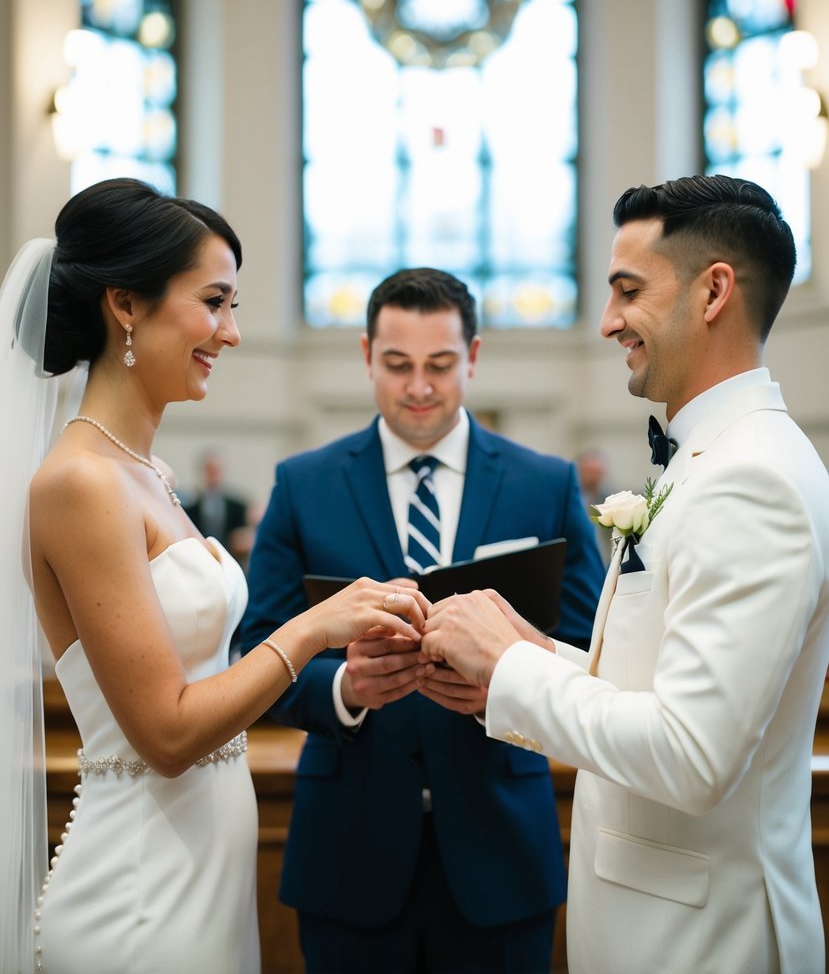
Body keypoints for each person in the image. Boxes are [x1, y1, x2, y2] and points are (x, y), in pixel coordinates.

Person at [0, 179, 428, 974]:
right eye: (215, 301)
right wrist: (312, 628)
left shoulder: (146, 474)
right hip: (139, 887)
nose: (231, 333)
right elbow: (165, 734)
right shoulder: (80, 483)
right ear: (126, 305)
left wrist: (350, 670)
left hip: (200, 869)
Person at [421, 176, 829, 974]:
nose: (607, 322)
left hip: (704, 942)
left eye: (628, 290)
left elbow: (690, 755)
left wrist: (511, 670)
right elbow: (663, 685)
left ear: (714, 290)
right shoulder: (711, 460)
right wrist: (532, 656)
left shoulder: (756, 481)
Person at [241, 267, 605, 974]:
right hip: (349, 850)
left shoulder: (545, 483)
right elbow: (256, 650)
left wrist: (509, 686)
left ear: (472, 357)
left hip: (500, 850)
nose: (418, 387)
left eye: (439, 365)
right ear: (365, 356)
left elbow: (591, 649)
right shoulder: (304, 484)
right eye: (397, 365)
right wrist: (345, 690)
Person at [184, 450, 250, 550]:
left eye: (216, 470)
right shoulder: (190, 510)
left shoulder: (238, 507)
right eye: (209, 470)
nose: (213, 474)